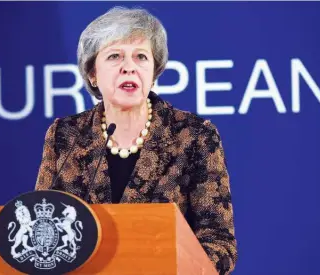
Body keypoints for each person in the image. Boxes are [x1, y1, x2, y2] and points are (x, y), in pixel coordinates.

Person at [35, 6, 237, 274]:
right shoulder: (65, 135)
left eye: (141, 56)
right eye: (115, 56)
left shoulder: (194, 135)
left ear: (154, 72)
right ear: (93, 73)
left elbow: (219, 244)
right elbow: (40, 225)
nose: (128, 67)